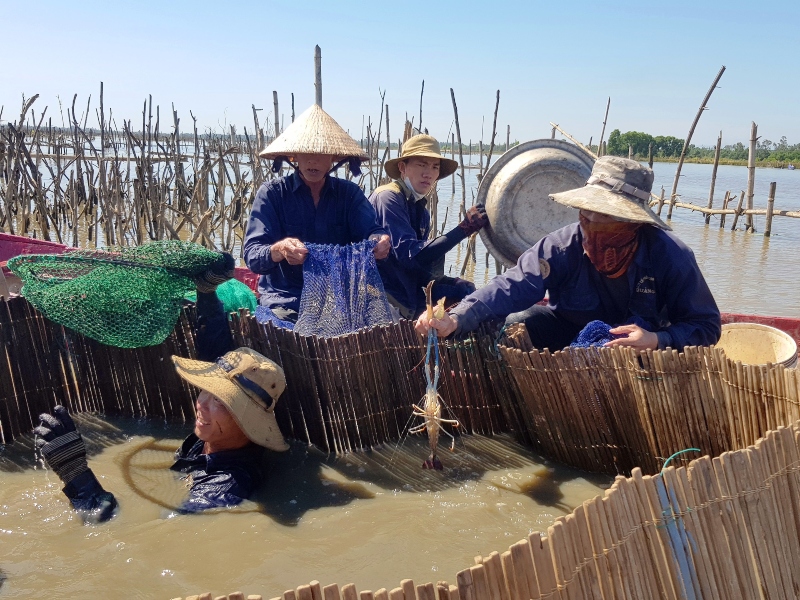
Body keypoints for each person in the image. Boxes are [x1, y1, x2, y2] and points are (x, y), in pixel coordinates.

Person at [34, 256, 289, 523]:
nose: (202, 404)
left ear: (247, 421)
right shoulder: (218, 437)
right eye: (206, 391)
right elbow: (213, 352)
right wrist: (206, 293)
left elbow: (151, 534)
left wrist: (79, 479)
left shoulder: (223, 487)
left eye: (220, 401)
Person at [416, 156, 721, 351]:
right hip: (570, 336)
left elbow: (706, 326)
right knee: (519, 322)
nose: (593, 223)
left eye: (607, 216)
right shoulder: (561, 246)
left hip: (639, 347)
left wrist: (657, 340)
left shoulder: (670, 254)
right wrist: (456, 318)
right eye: (588, 213)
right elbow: (510, 286)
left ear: (633, 223)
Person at [244, 104, 391, 323]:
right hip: (286, 300)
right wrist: (279, 249)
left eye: (321, 154)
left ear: (333, 158)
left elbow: (372, 231)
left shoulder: (349, 194)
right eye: (307, 153)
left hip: (339, 300)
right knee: (283, 331)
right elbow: (253, 256)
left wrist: (379, 241)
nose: (313, 160)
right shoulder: (272, 194)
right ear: (294, 155)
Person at [368, 134, 489, 319]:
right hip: (383, 297)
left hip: (408, 292)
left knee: (465, 292)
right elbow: (411, 256)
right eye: (421, 165)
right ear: (402, 167)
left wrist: (450, 282)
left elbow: (420, 267)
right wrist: (463, 229)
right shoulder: (388, 198)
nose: (428, 174)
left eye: (435, 167)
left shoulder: (421, 211)